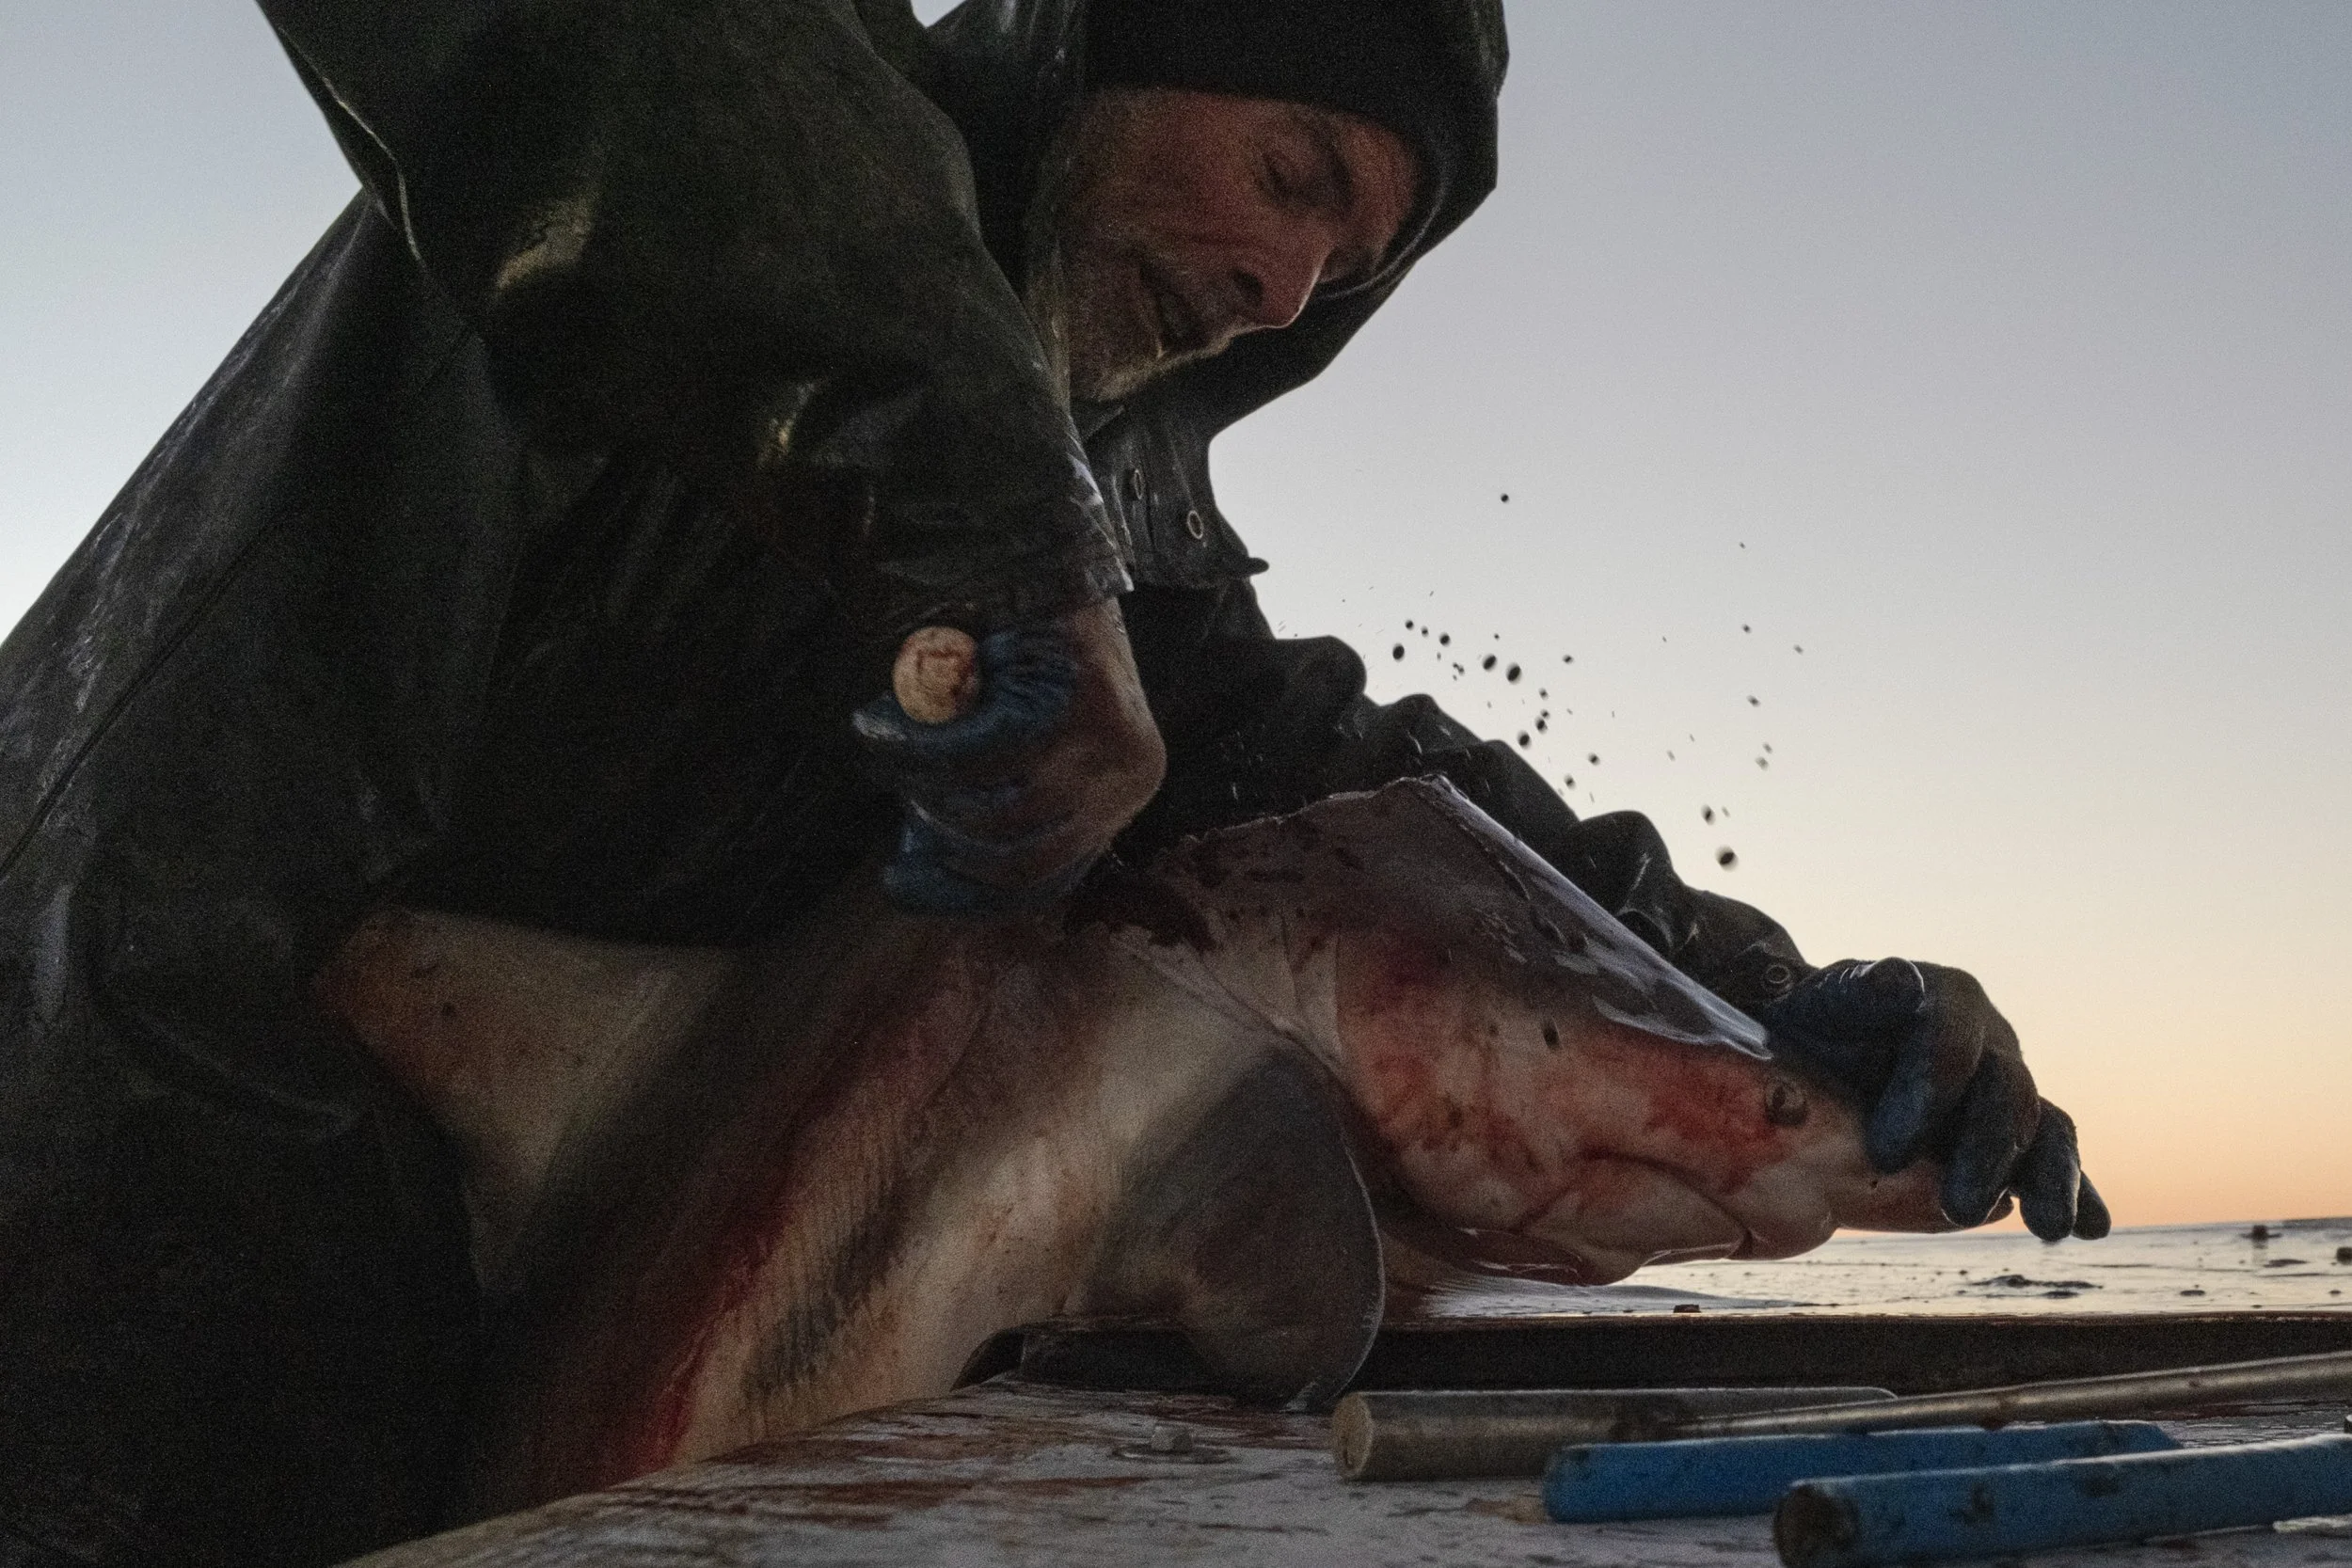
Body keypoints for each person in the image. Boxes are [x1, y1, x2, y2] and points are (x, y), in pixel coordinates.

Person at [0, 1, 2105, 1562]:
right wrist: (972, 498)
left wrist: (1767, 1005)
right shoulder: (715, 146)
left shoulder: (1130, 545)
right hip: (91, 1161)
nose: (1292, 286)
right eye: (1293, 174)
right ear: (1103, 41)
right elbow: (644, 92)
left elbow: (1377, 809)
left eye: (1352, 264)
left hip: (449, 1294)